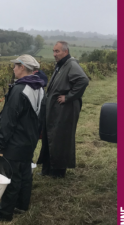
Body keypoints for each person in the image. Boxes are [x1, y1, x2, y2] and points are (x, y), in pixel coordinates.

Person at [0, 55, 45, 222]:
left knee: (9, 177)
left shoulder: (19, 90)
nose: (13, 69)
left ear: (22, 67)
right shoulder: (39, 88)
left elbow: (8, 120)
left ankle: (4, 214)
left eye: (15, 66)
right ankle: (21, 204)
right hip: (29, 140)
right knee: (25, 174)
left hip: (14, 142)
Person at [37, 41, 89, 178]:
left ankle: (58, 171)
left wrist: (69, 97)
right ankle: (47, 168)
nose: (54, 54)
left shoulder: (71, 64)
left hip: (65, 110)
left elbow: (83, 81)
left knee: (60, 138)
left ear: (65, 51)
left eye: (57, 51)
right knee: (50, 136)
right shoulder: (61, 65)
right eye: (53, 51)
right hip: (55, 109)